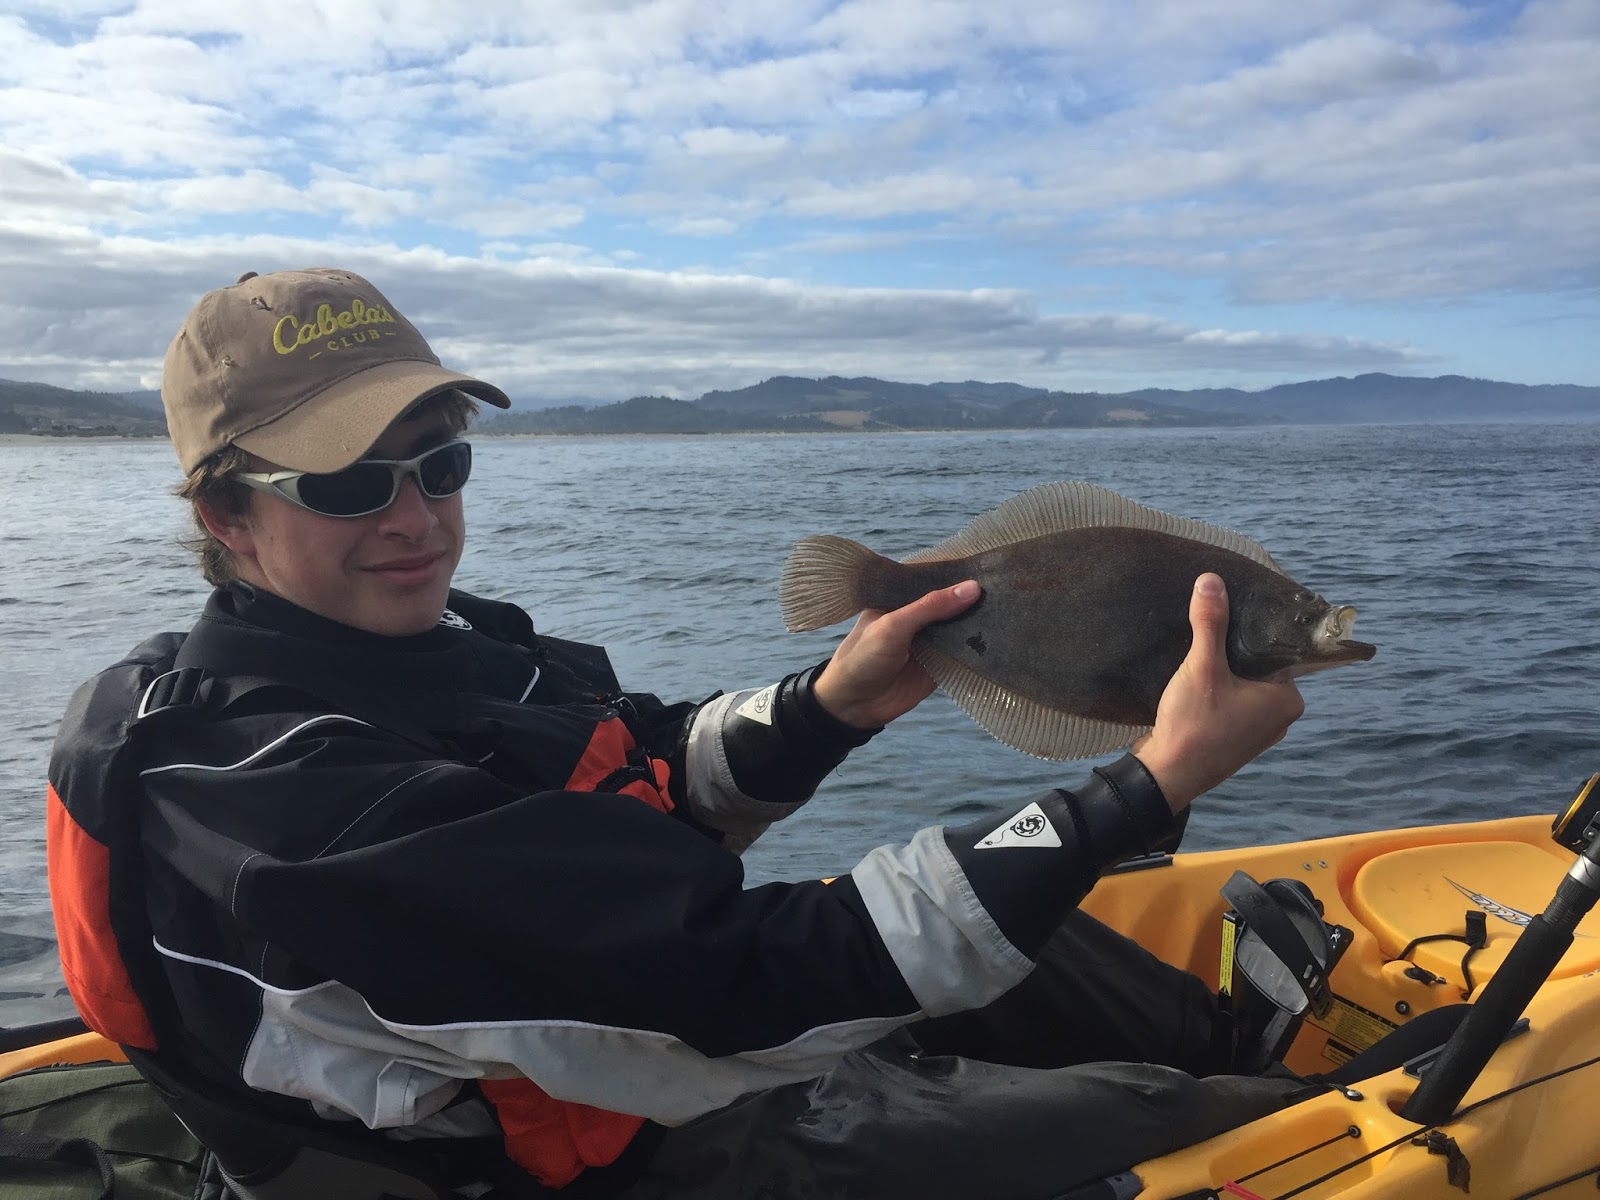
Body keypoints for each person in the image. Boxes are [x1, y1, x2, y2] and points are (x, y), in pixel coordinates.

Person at [47, 268, 1309, 1200]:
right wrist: (1143, 787)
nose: (415, 518)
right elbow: (735, 988)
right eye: (347, 482)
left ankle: (1230, 1036)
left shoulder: (424, 652)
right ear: (225, 514)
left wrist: (830, 706)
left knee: (1060, 959)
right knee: (1196, 1135)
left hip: (625, 1045)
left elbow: (635, 768)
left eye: (440, 462)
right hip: (598, 1157)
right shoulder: (293, 803)